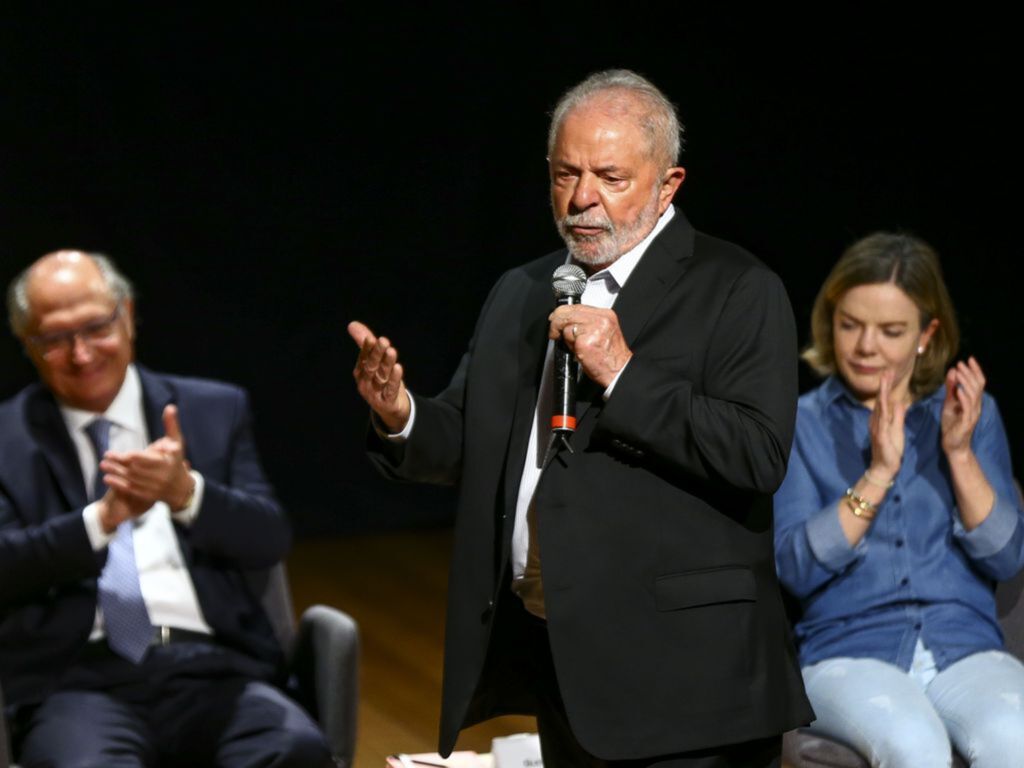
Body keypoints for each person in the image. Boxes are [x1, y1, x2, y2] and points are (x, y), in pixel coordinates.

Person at [349, 69, 811, 767]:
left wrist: (625, 374)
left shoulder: (738, 288)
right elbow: (472, 443)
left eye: (610, 177)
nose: (582, 198)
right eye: (566, 174)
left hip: (691, 685)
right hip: (562, 658)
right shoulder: (523, 290)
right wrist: (400, 412)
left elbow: (757, 454)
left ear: (668, 184)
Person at [0, 250, 330, 767]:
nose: (81, 354)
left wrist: (186, 494)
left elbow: (268, 538)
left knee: (294, 749)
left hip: (212, 665)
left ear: (127, 315)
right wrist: (100, 520)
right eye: (56, 339)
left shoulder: (213, 410)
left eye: (95, 327)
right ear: (28, 345)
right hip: (76, 680)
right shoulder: (6, 438)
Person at [774, 232, 1024, 767]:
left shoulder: (971, 416)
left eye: (890, 331)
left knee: (1016, 737)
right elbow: (794, 568)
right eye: (850, 325)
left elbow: (1006, 556)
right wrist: (879, 473)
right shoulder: (803, 425)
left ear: (926, 335)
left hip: (965, 650)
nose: (866, 347)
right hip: (847, 653)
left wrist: (958, 453)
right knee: (915, 744)